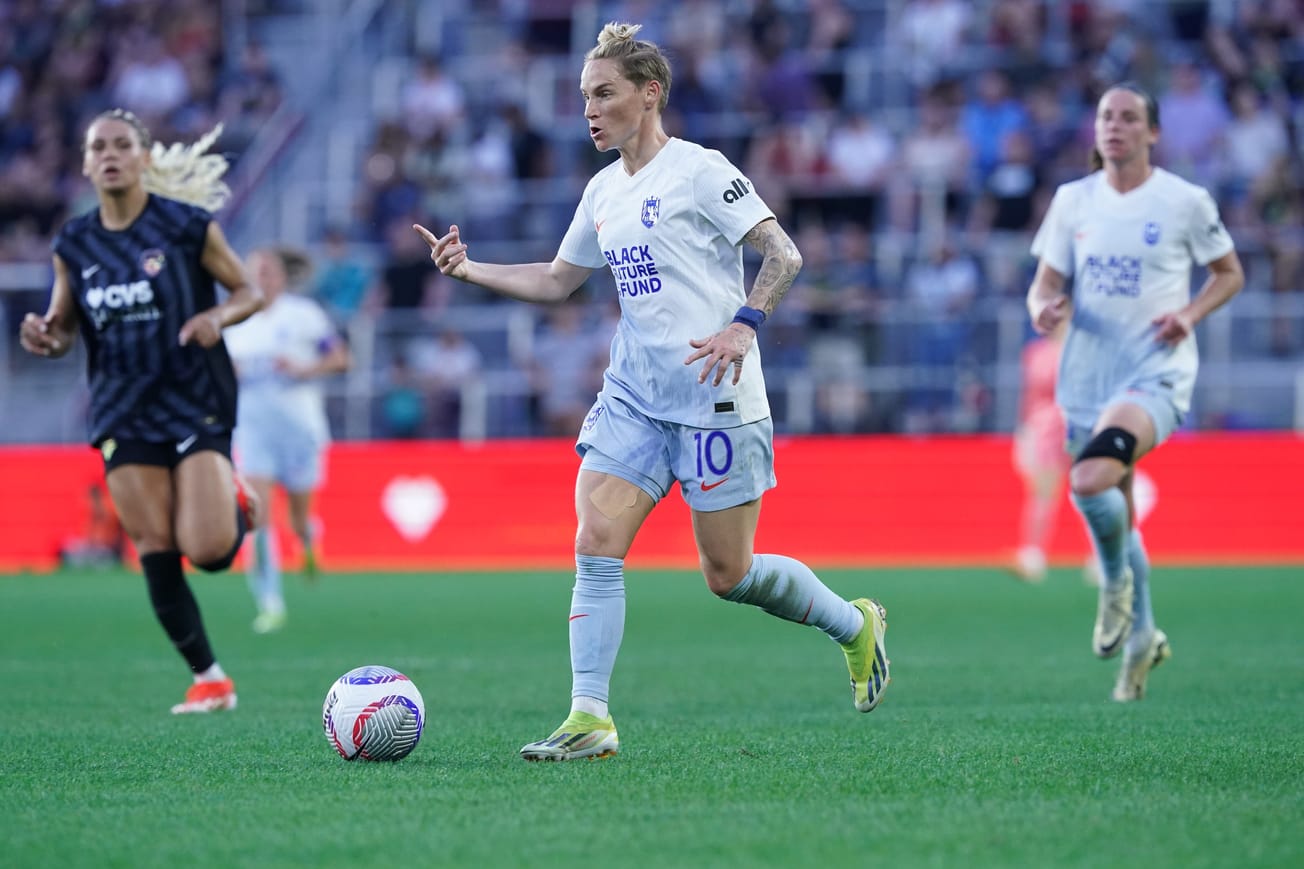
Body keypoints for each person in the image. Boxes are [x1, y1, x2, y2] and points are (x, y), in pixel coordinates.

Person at [414, 22, 890, 762]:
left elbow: (783, 252)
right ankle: (589, 716)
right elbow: (557, 280)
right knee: (595, 541)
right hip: (636, 395)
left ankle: (854, 624)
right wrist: (470, 270)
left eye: (604, 94)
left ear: (649, 94)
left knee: (727, 575)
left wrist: (743, 325)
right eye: (583, 97)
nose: (590, 111)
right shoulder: (602, 190)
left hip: (716, 396)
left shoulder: (700, 171)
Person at [18, 109, 264, 714]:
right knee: (152, 542)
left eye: (122, 144)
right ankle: (210, 678)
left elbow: (249, 291)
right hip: (121, 407)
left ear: (145, 157)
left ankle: (234, 509)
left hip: (194, 398)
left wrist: (216, 317)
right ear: (83, 163)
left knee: (207, 551)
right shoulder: (73, 244)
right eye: (97, 145)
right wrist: (47, 338)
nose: (109, 154)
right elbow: (64, 327)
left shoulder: (186, 226)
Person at [1026, 83, 1243, 702]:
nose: (1114, 126)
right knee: (1115, 509)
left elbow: (1229, 272)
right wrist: (1044, 309)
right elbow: (1042, 286)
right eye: (1105, 117)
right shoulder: (1073, 201)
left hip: (1155, 373)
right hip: (1087, 377)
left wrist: (1190, 316)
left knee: (1090, 480)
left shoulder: (1183, 201)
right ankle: (1143, 636)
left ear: (1152, 133)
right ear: (1094, 131)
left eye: (1128, 118)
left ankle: (1114, 586)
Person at [224, 245, 351, 633]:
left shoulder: (304, 315)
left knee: (298, 517)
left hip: (300, 431)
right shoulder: (231, 319)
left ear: (281, 278)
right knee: (256, 516)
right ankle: (269, 601)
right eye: (256, 273)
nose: (262, 280)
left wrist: (303, 368)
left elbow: (341, 359)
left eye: (269, 273)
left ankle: (308, 541)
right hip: (253, 430)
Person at [1010, 319, 1069, 583]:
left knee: (1091, 492)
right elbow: (1030, 395)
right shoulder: (1036, 352)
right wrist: (1024, 429)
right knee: (1043, 490)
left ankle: (1102, 557)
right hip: (1045, 425)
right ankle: (1033, 552)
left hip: (1075, 423)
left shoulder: (1081, 353)